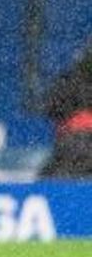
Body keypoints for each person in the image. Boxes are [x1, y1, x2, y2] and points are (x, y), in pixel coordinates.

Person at [42, 38, 92, 178]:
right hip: (72, 148)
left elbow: (51, 107)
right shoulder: (73, 79)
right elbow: (51, 107)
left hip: (70, 148)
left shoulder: (71, 78)